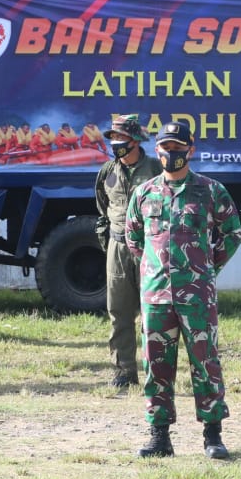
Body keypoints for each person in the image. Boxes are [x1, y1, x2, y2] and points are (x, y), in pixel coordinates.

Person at [125, 121, 241, 458]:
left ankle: (213, 435)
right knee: (156, 365)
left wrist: (204, 268)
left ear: (190, 150)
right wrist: (154, 270)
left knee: (205, 363)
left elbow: (232, 234)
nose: (171, 154)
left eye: (178, 148)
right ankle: (159, 437)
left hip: (197, 296)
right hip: (156, 295)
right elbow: (134, 239)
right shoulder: (143, 193)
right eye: (165, 147)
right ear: (157, 150)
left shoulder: (210, 191)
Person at [94, 114, 163, 387]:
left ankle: (155, 371)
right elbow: (102, 210)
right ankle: (123, 371)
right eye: (113, 138)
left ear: (135, 141)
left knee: (153, 313)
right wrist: (109, 243)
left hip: (149, 248)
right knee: (119, 312)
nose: (116, 143)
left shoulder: (156, 169)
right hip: (118, 247)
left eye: (121, 138)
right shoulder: (107, 172)